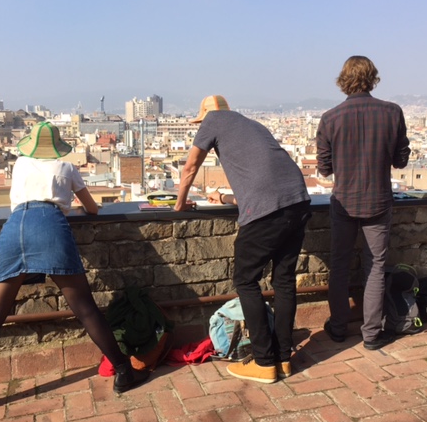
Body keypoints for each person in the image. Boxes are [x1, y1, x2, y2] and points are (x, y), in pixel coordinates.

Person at [0, 122, 149, 422]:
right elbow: (92, 209)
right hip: (50, 228)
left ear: (31, 145)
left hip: (15, 229)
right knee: (85, 309)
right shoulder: (66, 167)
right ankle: (123, 372)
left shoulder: (20, 164)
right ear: (57, 146)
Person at [175, 95, 311, 384]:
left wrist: (179, 206)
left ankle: (264, 363)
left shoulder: (211, 121)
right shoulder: (252, 124)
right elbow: (264, 180)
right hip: (298, 200)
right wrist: (223, 197)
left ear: (205, 116)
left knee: (246, 280)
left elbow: (189, 169)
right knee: (284, 280)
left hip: (269, 211)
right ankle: (284, 359)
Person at [316, 56, 411, 351]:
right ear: (373, 78)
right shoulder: (392, 112)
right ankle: (371, 333)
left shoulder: (330, 118)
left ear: (344, 80)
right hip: (379, 201)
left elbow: (324, 167)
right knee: (376, 267)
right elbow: (401, 159)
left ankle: (339, 326)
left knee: (340, 265)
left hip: (344, 201)